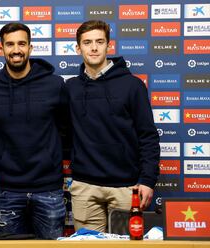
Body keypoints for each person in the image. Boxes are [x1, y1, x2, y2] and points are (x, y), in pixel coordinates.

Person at [65, 20, 160, 232]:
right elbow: (63, 133)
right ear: (78, 48)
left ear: (109, 45)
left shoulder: (132, 85)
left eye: (100, 41)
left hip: (126, 187)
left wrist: (147, 180)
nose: (94, 47)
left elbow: (148, 136)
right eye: (87, 42)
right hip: (85, 188)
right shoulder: (71, 88)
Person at [0, 22, 66, 239]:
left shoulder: (54, 85)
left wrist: (49, 156)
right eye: (10, 44)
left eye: (21, 44)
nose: (16, 50)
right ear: (1, 49)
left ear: (30, 48)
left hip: (49, 190)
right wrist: (2, 159)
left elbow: (66, 129)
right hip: (8, 190)